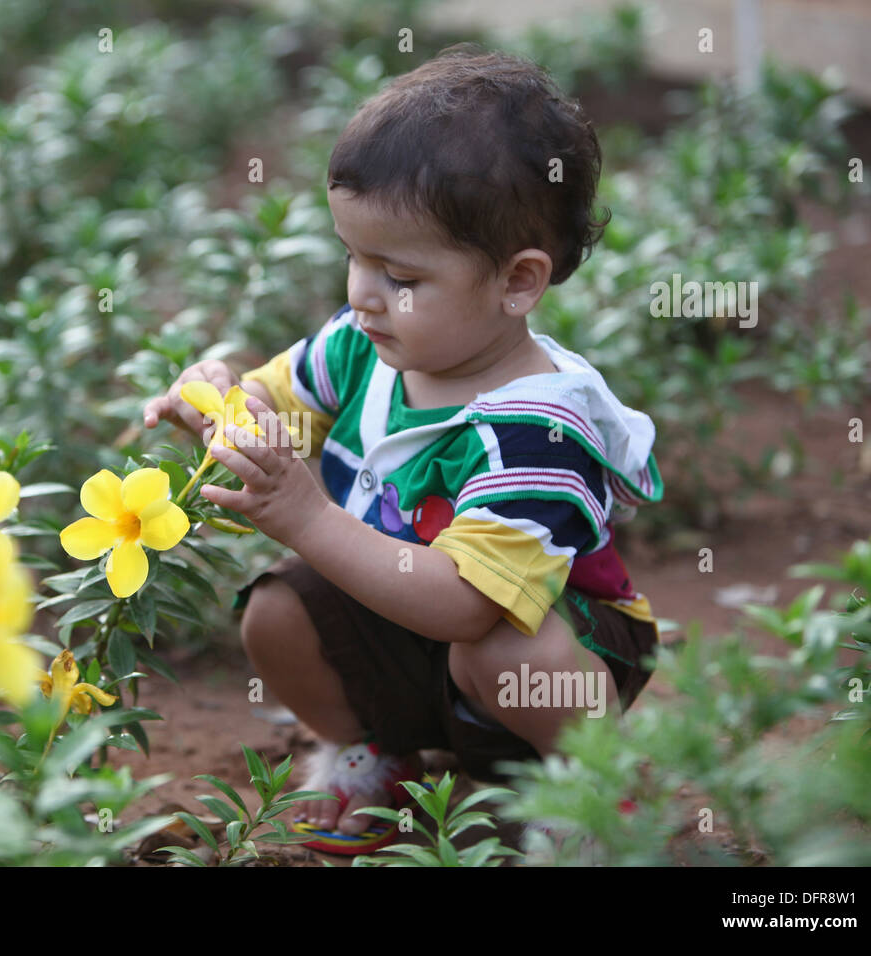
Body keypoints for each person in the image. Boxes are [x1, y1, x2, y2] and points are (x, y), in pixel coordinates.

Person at [142, 46, 662, 855]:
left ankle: (593, 783)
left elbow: (468, 604)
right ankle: (379, 751)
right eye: (353, 257)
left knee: (502, 650)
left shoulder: (537, 428)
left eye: (399, 274)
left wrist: (307, 515)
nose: (361, 293)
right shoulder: (365, 347)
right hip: (404, 624)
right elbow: (272, 402)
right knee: (279, 609)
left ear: (518, 282)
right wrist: (222, 408)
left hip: (553, 653)